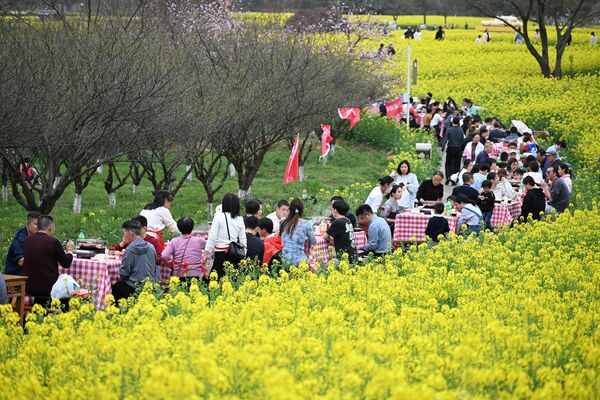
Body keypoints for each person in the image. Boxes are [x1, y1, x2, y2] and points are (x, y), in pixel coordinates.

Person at [22, 215, 75, 305]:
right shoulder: (53, 242)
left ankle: (38, 312)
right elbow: (66, 263)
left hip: (29, 286)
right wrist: (70, 250)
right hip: (48, 287)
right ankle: (61, 315)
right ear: (50, 228)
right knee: (67, 288)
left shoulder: (27, 240)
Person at [111, 220, 157, 301]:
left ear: (130, 234)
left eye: (124, 233)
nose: (124, 236)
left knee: (114, 287)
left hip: (134, 288)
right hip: (150, 287)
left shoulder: (130, 250)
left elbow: (123, 274)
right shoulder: (151, 247)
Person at [205, 193, 247, 279]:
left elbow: (212, 237)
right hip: (235, 254)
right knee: (232, 281)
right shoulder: (240, 219)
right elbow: (243, 240)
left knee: (214, 281)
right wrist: (244, 255)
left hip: (221, 254)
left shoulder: (218, 217)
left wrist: (206, 252)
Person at [280, 198, 316, 265]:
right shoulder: (306, 223)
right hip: (299, 261)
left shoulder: (283, 222)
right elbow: (313, 241)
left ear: (290, 210)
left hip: (284, 260)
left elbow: (281, 238)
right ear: (302, 210)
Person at [5, 211, 40, 275]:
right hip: (16, 275)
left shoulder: (38, 236)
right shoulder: (20, 239)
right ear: (27, 224)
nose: (38, 227)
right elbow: (21, 262)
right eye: (36, 224)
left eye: (40, 225)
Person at [442, 116, 465, 184]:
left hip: (450, 148)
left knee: (448, 164)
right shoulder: (461, 130)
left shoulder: (449, 129)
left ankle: (448, 177)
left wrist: (443, 147)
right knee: (457, 165)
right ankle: (454, 179)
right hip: (458, 149)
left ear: (452, 122)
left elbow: (445, 139)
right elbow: (462, 140)